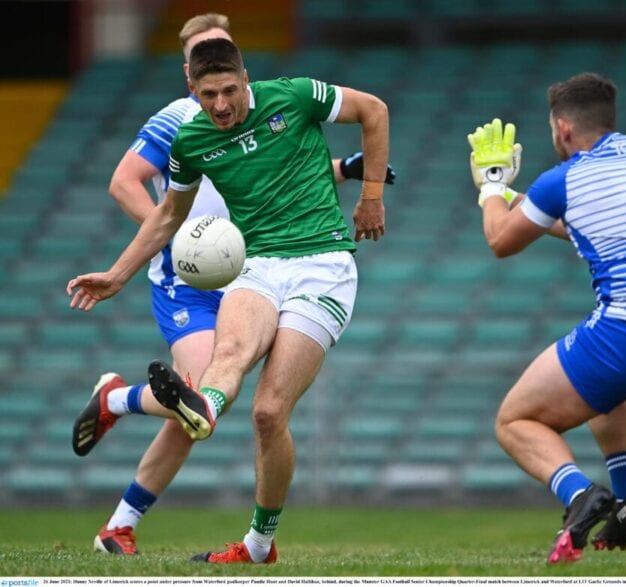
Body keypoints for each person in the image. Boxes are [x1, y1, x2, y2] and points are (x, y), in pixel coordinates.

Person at [69, 24, 390, 560]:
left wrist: (371, 196)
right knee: (230, 355)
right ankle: (204, 408)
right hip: (256, 265)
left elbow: (374, 110)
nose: (220, 104)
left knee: (269, 412)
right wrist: (118, 273)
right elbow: (170, 212)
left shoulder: (294, 95)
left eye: (229, 91)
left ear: (246, 79)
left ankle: (260, 543)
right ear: (193, 89)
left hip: (323, 265)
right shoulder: (188, 138)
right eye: (208, 94)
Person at [466, 73, 626, 564]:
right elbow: (582, 222)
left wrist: (493, 188)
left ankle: (580, 494)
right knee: (604, 391)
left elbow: (500, 241)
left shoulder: (563, 178)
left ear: (561, 128)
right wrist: (521, 202)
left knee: (515, 420)